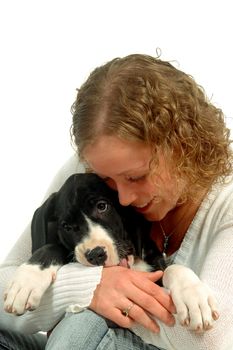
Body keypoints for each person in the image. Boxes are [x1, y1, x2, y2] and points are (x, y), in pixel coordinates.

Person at [0, 53, 233, 350]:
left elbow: (212, 338)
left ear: (183, 147)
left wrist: (109, 298)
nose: (121, 198)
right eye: (107, 181)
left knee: (85, 322)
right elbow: (6, 288)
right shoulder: (92, 169)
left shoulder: (228, 202)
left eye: (136, 177)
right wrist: (87, 288)